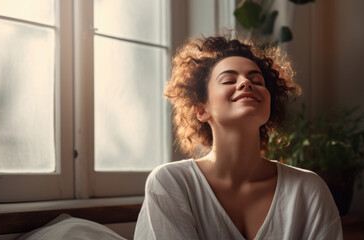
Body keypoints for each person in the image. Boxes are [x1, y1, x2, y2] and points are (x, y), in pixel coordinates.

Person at [134, 35, 343, 240]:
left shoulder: (309, 189)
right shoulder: (171, 183)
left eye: (257, 80)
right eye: (228, 80)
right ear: (201, 110)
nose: (246, 83)